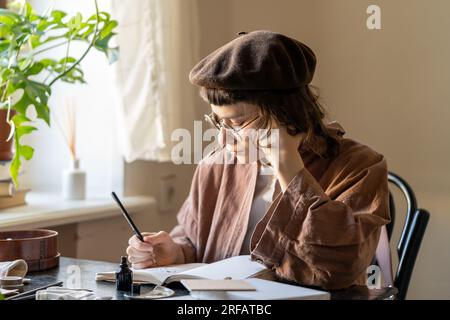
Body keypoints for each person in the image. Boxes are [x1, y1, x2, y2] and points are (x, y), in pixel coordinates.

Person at [126, 30, 390, 290]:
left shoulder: (360, 166)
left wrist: (290, 169)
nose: (223, 141)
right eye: (218, 123)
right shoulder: (217, 167)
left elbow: (339, 269)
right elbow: (194, 241)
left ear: (287, 114)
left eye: (238, 123)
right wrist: (176, 253)